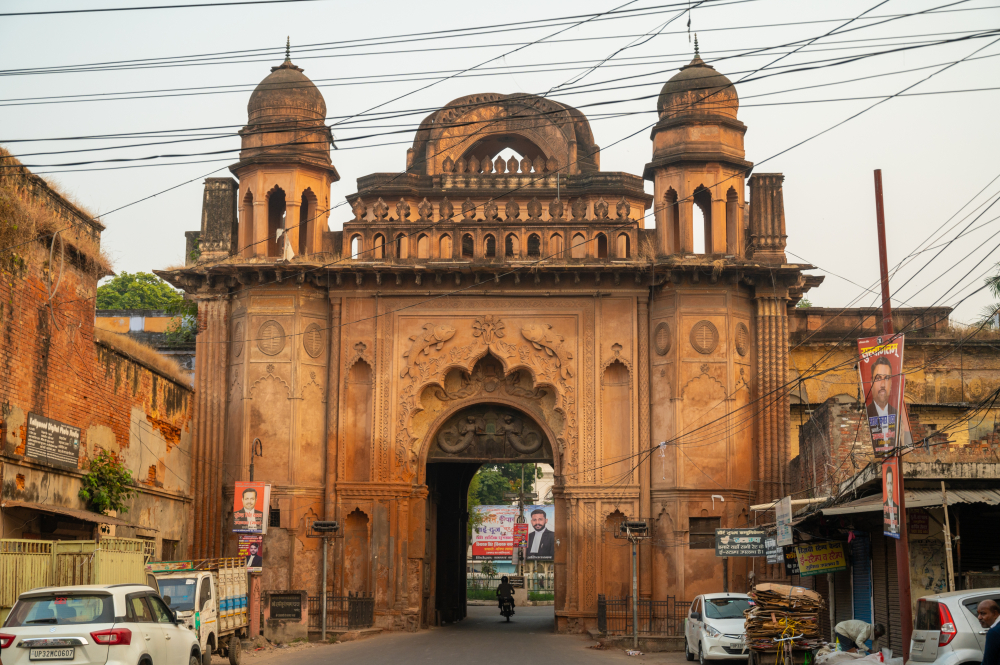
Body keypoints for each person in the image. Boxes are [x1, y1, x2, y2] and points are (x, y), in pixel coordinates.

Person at [866, 356, 897, 440]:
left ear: (891, 384)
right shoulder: (866, 414)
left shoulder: (898, 416)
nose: (883, 385)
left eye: (886, 378)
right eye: (878, 378)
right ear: (871, 383)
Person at [977, 599, 1000, 665]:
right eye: (978, 614)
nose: (979, 617)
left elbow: (988, 662)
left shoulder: (994, 632)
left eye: (983, 613)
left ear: (995, 614)